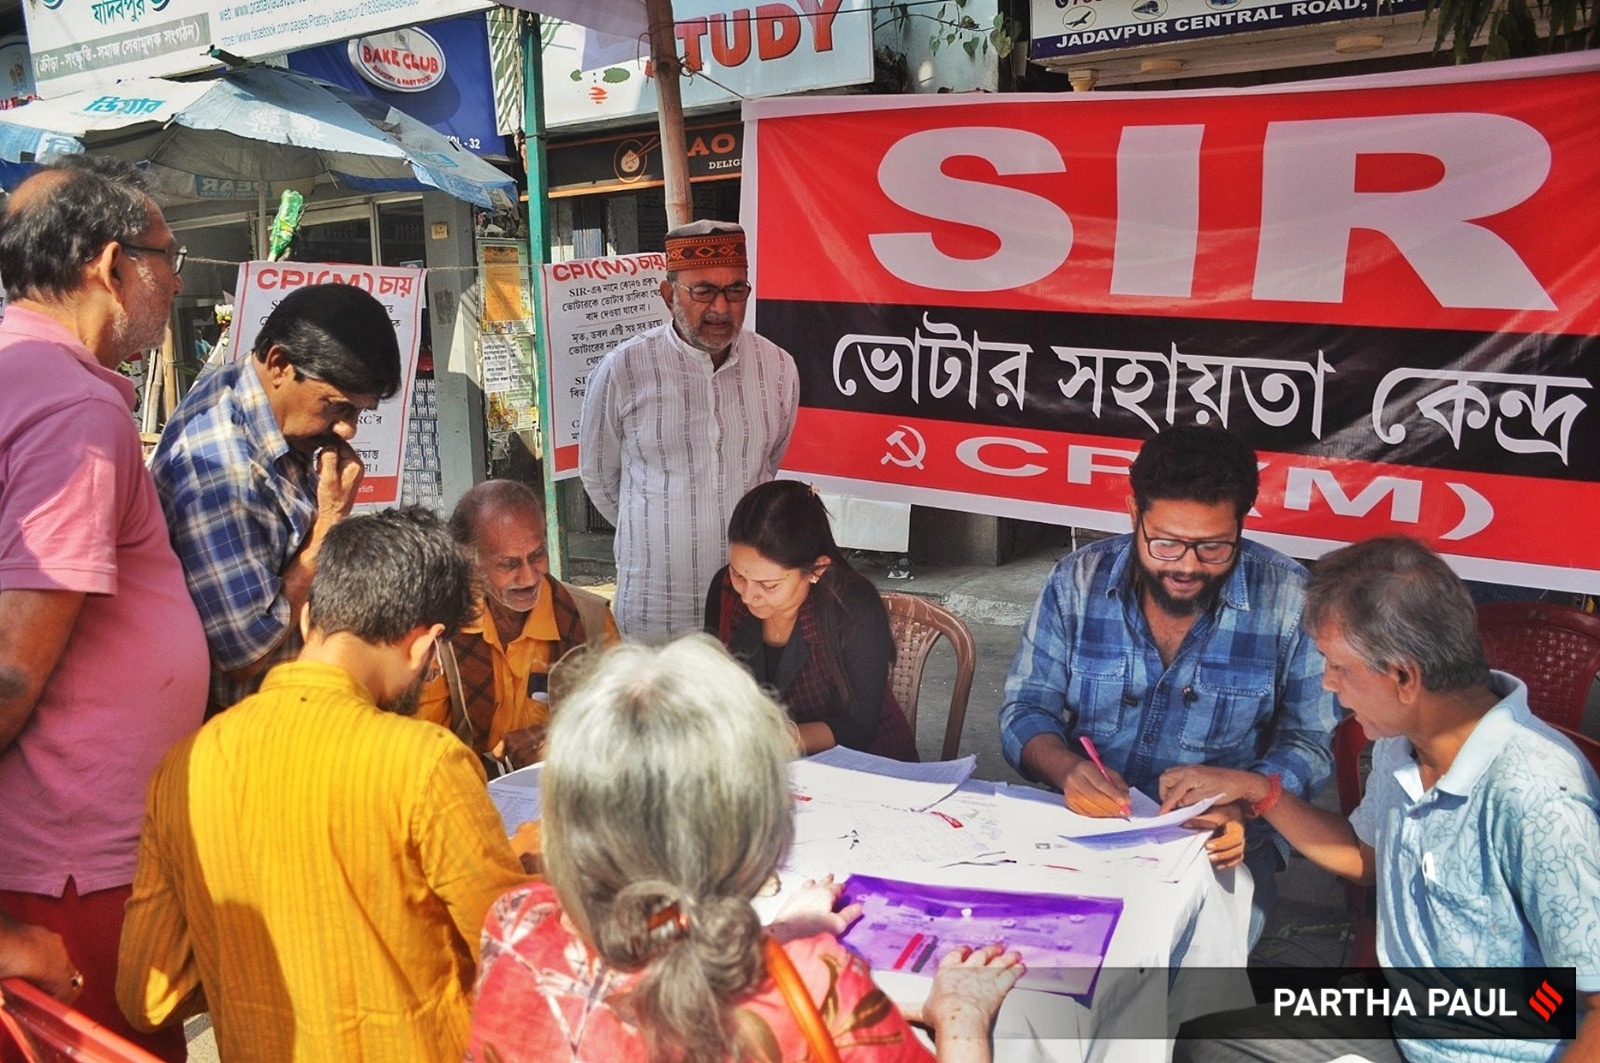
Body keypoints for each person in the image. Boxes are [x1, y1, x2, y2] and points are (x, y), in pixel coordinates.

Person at [465, 636, 1022, 1063]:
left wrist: (773, 936)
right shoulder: (817, 984)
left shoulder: (515, 924)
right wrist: (961, 1016)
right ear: (754, 819)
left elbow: (649, 946)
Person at [1161, 536, 1600, 1063]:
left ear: (1403, 677)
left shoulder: (1541, 799)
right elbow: (1364, 856)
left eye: (1338, 667)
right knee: (1207, 1044)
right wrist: (1258, 790)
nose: (1327, 683)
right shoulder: (1402, 741)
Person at [117, 508, 530, 1063]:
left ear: (309, 618)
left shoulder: (183, 768)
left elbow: (147, 996)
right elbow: (513, 962)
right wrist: (526, 865)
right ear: (425, 645)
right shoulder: (426, 762)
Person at [0, 156, 208, 1061]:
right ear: (113, 264)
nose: (173, 281)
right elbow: (11, 667)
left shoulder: (24, 375)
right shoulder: (74, 408)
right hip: (74, 865)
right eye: (171, 257)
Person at [998, 425, 1338, 946]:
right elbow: (1026, 709)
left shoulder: (1290, 599)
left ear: (1242, 525)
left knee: (1174, 977)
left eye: (1213, 548)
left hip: (1221, 841)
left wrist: (1244, 804)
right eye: (1166, 543)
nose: (1186, 566)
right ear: (1134, 513)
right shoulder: (1078, 581)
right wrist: (1067, 769)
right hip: (1084, 830)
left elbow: (1309, 741)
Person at [150, 282, 402, 714]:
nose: (347, 430)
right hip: (247, 745)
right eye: (337, 407)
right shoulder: (222, 472)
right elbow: (246, 652)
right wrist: (329, 523)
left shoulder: (250, 395)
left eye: (358, 412)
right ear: (280, 364)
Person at [580, 220, 799, 641]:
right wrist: (661, 533)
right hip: (655, 601)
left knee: (741, 704)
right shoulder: (623, 370)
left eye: (735, 290)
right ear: (669, 295)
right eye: (702, 291)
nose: (721, 308)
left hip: (749, 600)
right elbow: (599, 478)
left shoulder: (777, 368)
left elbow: (769, 462)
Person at [416, 479, 619, 774]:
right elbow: (422, 747)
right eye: (509, 564)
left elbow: (622, 724)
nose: (528, 578)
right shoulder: (438, 631)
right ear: (469, 561)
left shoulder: (590, 619)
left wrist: (563, 738)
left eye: (536, 556)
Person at [705, 479, 918, 760]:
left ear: (816, 570)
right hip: (763, 767)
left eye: (769, 585)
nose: (748, 595)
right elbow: (710, 687)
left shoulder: (853, 607)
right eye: (738, 574)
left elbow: (857, 730)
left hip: (868, 769)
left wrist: (767, 739)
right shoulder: (725, 591)